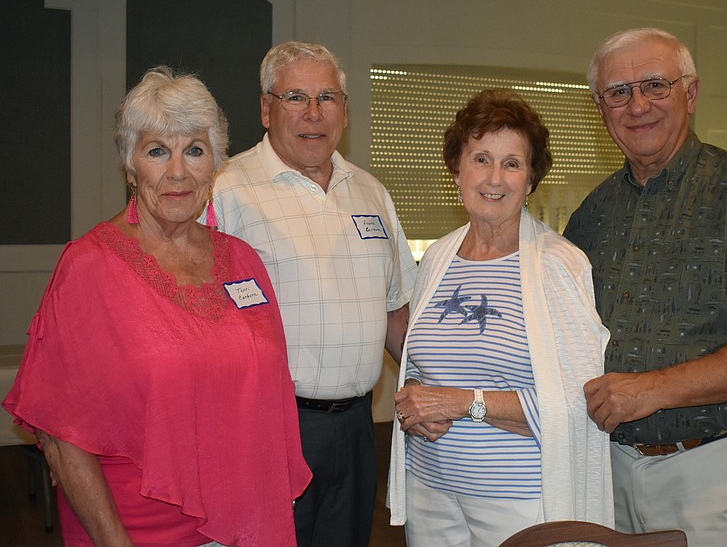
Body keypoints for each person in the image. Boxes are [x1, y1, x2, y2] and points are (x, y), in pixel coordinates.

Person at [2, 66, 311, 546]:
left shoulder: (242, 259)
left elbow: (269, 391)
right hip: (139, 531)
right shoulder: (90, 267)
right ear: (131, 166)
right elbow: (61, 435)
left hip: (247, 524)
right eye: (157, 151)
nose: (178, 173)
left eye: (195, 150)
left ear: (215, 164)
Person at [563, 28, 727, 546]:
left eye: (655, 85)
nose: (637, 105)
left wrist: (652, 389)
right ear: (601, 108)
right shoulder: (592, 214)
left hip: (714, 470)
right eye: (618, 92)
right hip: (608, 470)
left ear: (690, 93)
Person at [387, 89, 615, 547]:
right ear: (457, 170)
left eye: (512, 163)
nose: (495, 178)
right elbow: (422, 366)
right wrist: (416, 401)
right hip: (430, 490)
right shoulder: (437, 258)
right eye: (481, 159)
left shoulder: (559, 265)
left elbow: (578, 401)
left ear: (530, 180)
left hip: (519, 500)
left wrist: (462, 403)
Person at [212, 41, 417, 547]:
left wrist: (448, 389)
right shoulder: (226, 189)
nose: (313, 113)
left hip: (358, 426)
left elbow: (397, 313)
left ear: (345, 110)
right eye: (295, 97)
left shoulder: (371, 192)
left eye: (327, 97)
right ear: (266, 109)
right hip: (269, 424)